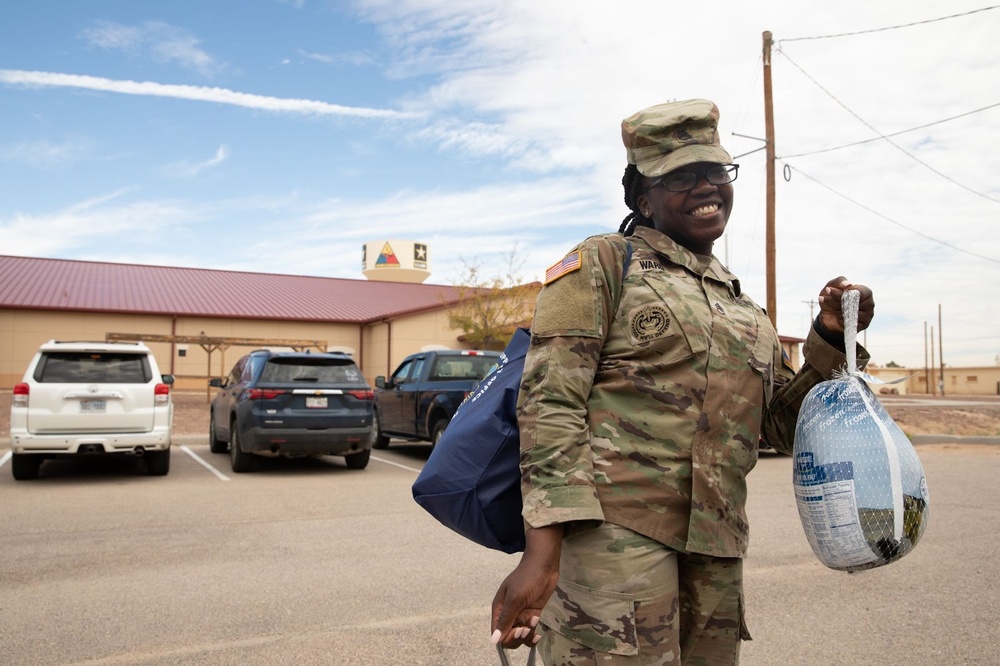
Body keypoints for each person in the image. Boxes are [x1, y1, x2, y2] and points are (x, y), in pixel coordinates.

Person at [489, 99, 875, 665]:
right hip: (616, 543)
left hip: (716, 550)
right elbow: (550, 404)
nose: (705, 187)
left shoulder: (743, 306)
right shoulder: (603, 263)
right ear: (643, 198)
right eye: (682, 177)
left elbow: (781, 430)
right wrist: (541, 552)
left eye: (716, 171)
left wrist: (829, 337)